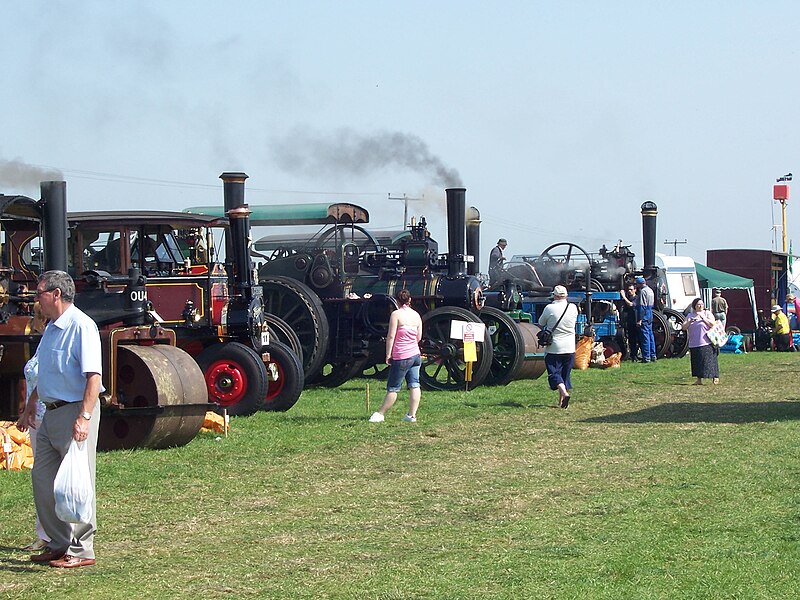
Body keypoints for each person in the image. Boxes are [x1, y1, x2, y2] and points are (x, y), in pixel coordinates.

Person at [16, 270, 103, 569]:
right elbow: (46, 371)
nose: (35, 298)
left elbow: (93, 376)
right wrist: (31, 405)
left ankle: (82, 550)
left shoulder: (82, 326)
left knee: (78, 483)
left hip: (75, 410)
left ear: (56, 294)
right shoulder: (52, 328)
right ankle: (58, 543)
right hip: (49, 412)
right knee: (43, 480)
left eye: (39, 292)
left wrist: (85, 416)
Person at [369, 289, 423, 423]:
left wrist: (388, 354)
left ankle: (380, 414)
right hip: (415, 355)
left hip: (402, 356)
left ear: (397, 301)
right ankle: (412, 415)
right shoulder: (417, 315)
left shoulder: (396, 314)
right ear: (410, 300)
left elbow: (391, 336)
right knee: (414, 385)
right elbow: (419, 336)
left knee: (393, 388)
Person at [538, 285, 578, 408]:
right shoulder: (573, 308)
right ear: (566, 296)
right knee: (565, 375)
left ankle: (564, 392)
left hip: (554, 347)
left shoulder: (549, 308)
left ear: (554, 295)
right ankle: (561, 402)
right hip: (570, 347)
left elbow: (541, 322)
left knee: (554, 373)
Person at [682, 297, 720, 385]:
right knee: (697, 361)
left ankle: (715, 377)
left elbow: (713, 324)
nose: (700, 306)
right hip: (694, 343)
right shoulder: (690, 315)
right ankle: (699, 379)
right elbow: (684, 327)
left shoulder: (707, 313)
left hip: (707, 342)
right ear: (694, 306)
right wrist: (689, 322)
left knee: (710, 361)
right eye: (698, 304)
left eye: (702, 304)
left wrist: (703, 318)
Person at [634, 275, 657, 363]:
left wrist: (640, 319)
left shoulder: (643, 292)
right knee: (650, 335)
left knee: (645, 337)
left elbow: (642, 306)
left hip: (645, 314)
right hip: (650, 313)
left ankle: (646, 357)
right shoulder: (650, 290)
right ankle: (653, 355)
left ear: (640, 284)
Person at [618, 283, 640, 362]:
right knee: (631, 340)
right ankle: (633, 356)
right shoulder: (629, 298)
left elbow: (631, 305)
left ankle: (638, 355)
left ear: (635, 290)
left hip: (636, 321)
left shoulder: (637, 298)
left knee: (637, 340)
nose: (630, 291)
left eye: (631, 289)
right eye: (629, 290)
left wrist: (623, 297)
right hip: (630, 322)